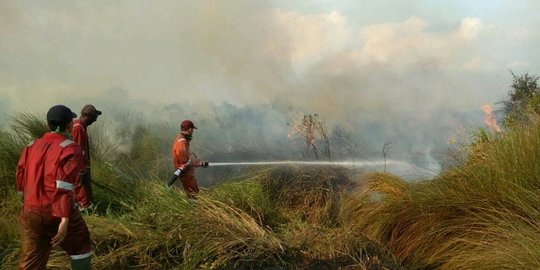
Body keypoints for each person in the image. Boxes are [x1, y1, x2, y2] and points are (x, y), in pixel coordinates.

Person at [17, 105, 92, 270]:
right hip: (57, 212)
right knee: (81, 246)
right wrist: (64, 219)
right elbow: (64, 185)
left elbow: (21, 178)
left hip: (31, 212)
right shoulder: (71, 148)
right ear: (69, 125)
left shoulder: (31, 146)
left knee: (31, 262)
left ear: (49, 124)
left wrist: (27, 203)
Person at [71, 104, 102, 210]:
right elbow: (77, 152)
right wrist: (81, 171)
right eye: (94, 117)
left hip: (82, 168)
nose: (95, 120)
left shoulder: (81, 127)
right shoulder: (78, 128)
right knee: (82, 194)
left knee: (84, 193)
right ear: (87, 116)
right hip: (79, 169)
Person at [172, 120, 208, 198]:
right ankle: (194, 209)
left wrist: (198, 161)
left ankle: (192, 206)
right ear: (190, 129)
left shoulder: (181, 139)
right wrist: (198, 164)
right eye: (192, 129)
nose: (192, 132)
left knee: (191, 193)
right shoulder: (182, 142)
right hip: (186, 174)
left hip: (185, 172)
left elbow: (188, 154)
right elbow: (185, 162)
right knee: (194, 194)